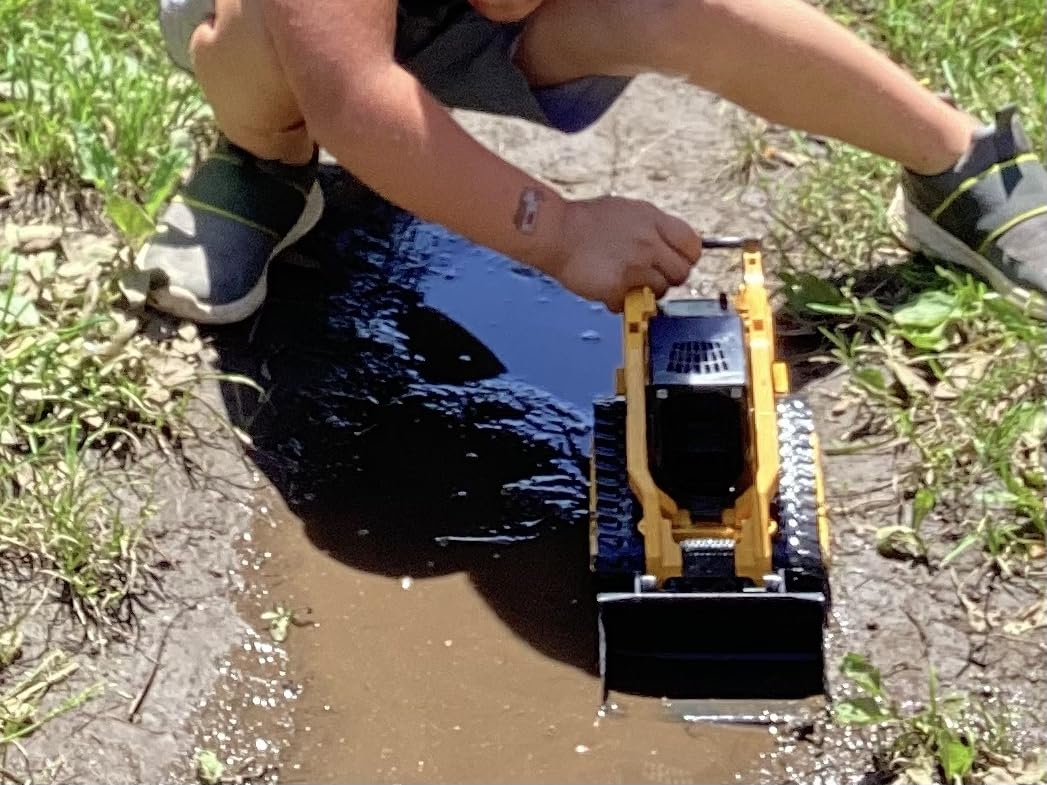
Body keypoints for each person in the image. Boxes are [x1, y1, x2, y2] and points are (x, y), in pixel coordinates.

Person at [140, 0, 1047, 324]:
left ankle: (956, 165)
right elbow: (358, 96)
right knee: (260, 40)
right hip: (291, 37)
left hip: (461, 32)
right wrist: (560, 229)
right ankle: (265, 161)